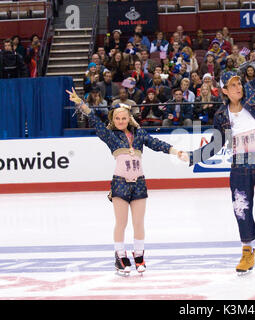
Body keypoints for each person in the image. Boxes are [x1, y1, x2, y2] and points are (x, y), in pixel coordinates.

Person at [187, 18, 255, 275]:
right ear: (224, 91)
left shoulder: (254, 91)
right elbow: (216, 144)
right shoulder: (223, 115)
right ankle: (247, 251)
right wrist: (193, 156)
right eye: (233, 85)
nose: (238, 87)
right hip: (239, 165)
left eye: (238, 83)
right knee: (241, 206)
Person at [66, 88, 189, 275]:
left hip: (139, 183)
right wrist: (81, 103)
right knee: (121, 223)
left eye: (124, 118)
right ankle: (120, 257)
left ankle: (139, 256)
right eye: (117, 119)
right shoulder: (111, 137)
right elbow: (95, 121)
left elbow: (157, 143)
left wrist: (176, 151)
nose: (121, 121)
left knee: (139, 222)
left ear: (129, 118)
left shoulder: (139, 135)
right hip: (120, 183)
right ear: (113, 120)